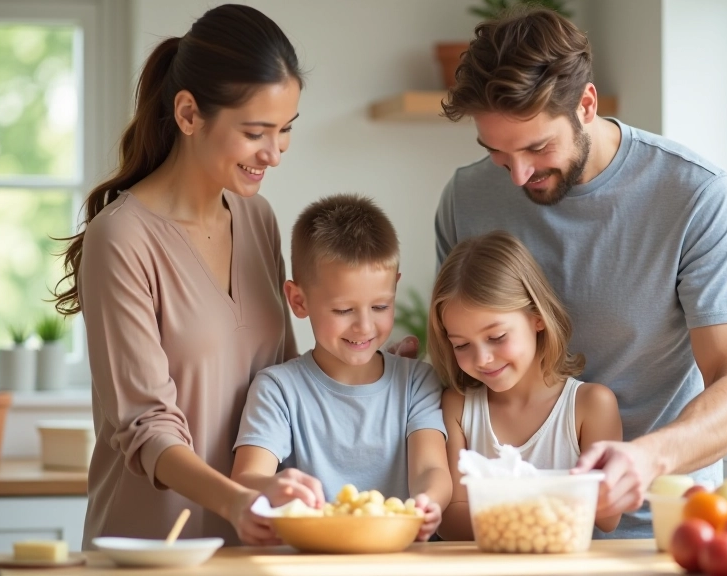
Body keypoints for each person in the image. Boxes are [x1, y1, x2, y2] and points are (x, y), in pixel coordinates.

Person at [435, 7, 727, 538]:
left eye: (538, 147)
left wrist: (648, 459)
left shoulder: (695, 195)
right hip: (505, 532)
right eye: (496, 151)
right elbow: (460, 354)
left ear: (586, 104)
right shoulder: (466, 197)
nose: (517, 175)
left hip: (661, 530)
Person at [53, 4, 322, 547]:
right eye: (255, 132)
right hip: (153, 551)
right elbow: (145, 425)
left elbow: (281, 382)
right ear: (188, 114)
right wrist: (239, 499)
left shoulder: (258, 219)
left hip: (253, 548)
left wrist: (365, 374)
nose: (274, 153)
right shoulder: (121, 237)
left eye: (285, 130)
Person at [232, 194, 452, 544]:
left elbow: (431, 468)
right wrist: (272, 487)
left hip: (400, 559)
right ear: (299, 301)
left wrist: (429, 502)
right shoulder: (277, 389)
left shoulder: (416, 381)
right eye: (343, 311)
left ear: (395, 286)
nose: (364, 327)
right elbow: (246, 480)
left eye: (380, 306)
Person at [429, 231, 623, 541]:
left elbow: (608, 516)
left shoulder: (591, 406)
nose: (483, 359)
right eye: (461, 344)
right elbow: (450, 519)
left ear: (537, 317)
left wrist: (505, 510)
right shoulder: (458, 407)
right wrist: (546, 510)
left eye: (496, 338)